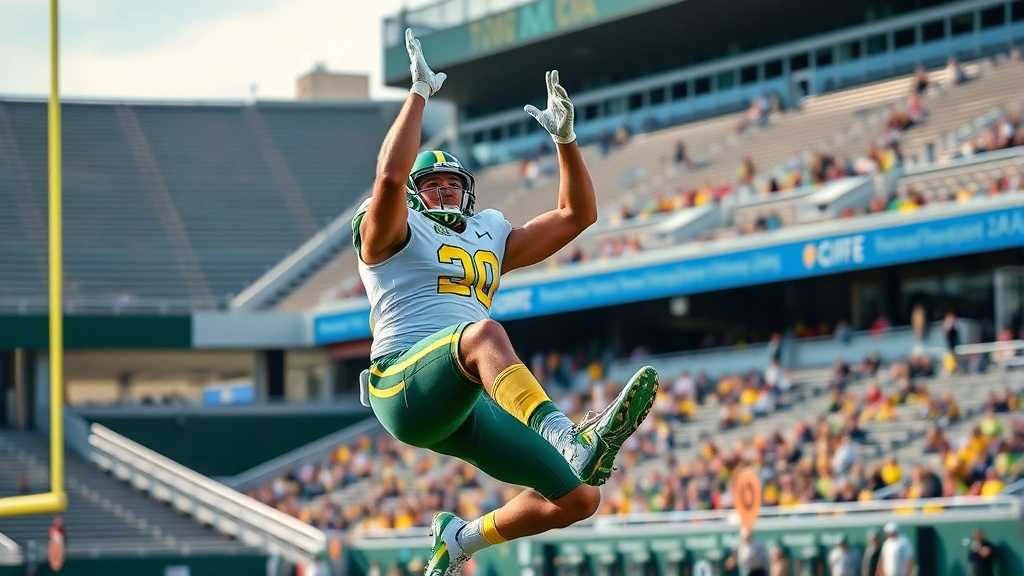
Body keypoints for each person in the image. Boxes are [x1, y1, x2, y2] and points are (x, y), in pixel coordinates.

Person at [356, 29, 659, 576]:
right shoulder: (391, 233)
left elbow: (576, 216)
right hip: (401, 384)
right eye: (433, 186)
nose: (445, 192)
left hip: (463, 400)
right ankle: (566, 435)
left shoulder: (486, 232)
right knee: (484, 335)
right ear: (416, 196)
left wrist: (566, 140)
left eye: (453, 183)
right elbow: (389, 176)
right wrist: (419, 93)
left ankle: (461, 540)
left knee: (578, 499)